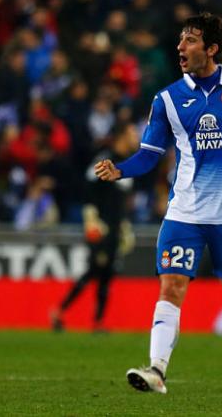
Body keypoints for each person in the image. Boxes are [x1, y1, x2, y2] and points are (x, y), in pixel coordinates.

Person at [93, 13, 222, 394]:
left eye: (190, 40)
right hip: (185, 211)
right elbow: (149, 153)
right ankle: (157, 369)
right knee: (171, 284)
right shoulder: (168, 99)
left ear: (211, 48)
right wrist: (121, 170)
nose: (180, 47)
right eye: (180, 40)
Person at [51, 122, 138, 332]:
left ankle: (97, 322)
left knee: (106, 274)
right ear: (120, 137)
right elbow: (89, 187)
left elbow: (120, 200)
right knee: (95, 270)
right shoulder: (105, 159)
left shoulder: (128, 164)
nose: (136, 137)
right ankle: (60, 311)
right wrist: (90, 217)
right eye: (132, 134)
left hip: (115, 228)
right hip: (101, 227)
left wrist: (124, 225)